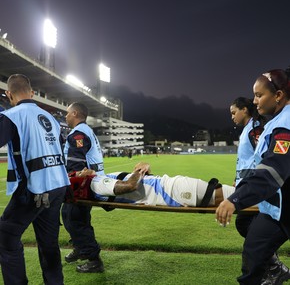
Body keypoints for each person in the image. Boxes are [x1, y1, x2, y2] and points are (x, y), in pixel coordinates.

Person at [216, 69, 290, 285]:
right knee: (253, 251)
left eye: (259, 95)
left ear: (278, 96)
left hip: (283, 206)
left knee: (253, 255)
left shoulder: (285, 125)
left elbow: (273, 171)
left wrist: (236, 199)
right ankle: (274, 272)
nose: (255, 101)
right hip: (278, 208)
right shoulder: (277, 122)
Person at [0, 74, 70, 285]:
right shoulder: (51, 119)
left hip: (35, 188)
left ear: (8, 94)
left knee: (6, 239)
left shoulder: (12, 115)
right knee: (48, 242)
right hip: (58, 184)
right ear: (32, 93)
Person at [230, 97, 289, 284]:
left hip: (264, 188)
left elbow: (267, 161)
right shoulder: (257, 126)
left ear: (244, 110)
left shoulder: (257, 129)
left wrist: (246, 190)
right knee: (250, 233)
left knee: (246, 225)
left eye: (234, 112)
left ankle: (273, 266)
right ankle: (272, 266)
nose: (232, 117)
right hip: (259, 188)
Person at [69, 162, 235, 207]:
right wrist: (140, 169)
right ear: (80, 182)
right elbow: (130, 186)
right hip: (171, 190)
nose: (83, 169)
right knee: (237, 196)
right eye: (79, 173)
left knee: (237, 194)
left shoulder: (97, 184)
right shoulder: (96, 183)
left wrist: (142, 172)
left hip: (169, 188)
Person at [61, 102, 105, 273]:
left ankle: (94, 259)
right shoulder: (85, 130)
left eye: (67, 113)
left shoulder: (79, 133)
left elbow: (76, 164)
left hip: (83, 184)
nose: (65, 116)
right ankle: (81, 248)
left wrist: (72, 182)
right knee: (68, 215)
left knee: (75, 219)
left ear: (75, 113)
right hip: (90, 182)